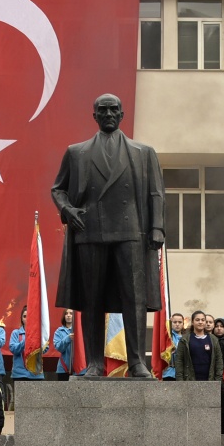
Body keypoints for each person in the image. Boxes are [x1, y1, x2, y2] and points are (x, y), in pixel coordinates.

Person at [52, 94, 165, 378]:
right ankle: (94, 363)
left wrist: (157, 227)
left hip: (131, 231)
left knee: (135, 298)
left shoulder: (143, 152)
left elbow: (156, 193)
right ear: (94, 116)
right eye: (102, 110)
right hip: (90, 231)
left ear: (122, 113)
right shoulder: (76, 152)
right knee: (92, 299)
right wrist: (67, 209)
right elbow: (58, 189)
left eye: (113, 109)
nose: (108, 114)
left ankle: (137, 362)